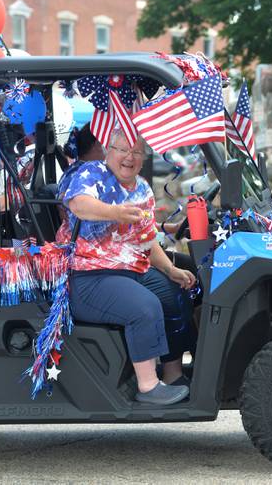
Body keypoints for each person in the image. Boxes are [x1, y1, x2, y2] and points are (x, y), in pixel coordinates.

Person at [63, 128, 196, 405]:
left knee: (173, 292)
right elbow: (79, 205)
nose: (129, 157)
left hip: (132, 269)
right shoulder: (91, 174)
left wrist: (171, 270)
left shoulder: (142, 188)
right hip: (89, 273)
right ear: (108, 150)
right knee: (144, 307)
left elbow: (147, 238)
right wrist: (115, 212)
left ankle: (172, 375)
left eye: (136, 152)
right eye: (122, 150)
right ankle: (148, 386)